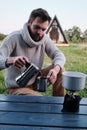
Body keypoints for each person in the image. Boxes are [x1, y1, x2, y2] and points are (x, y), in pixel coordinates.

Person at [0, 8, 66, 96]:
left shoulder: (45, 39)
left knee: (60, 68)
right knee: (39, 101)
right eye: (37, 27)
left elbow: (59, 55)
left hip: (35, 81)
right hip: (17, 87)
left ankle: (59, 102)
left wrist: (55, 70)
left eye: (43, 29)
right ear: (29, 22)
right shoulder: (13, 38)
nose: (40, 32)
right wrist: (11, 60)